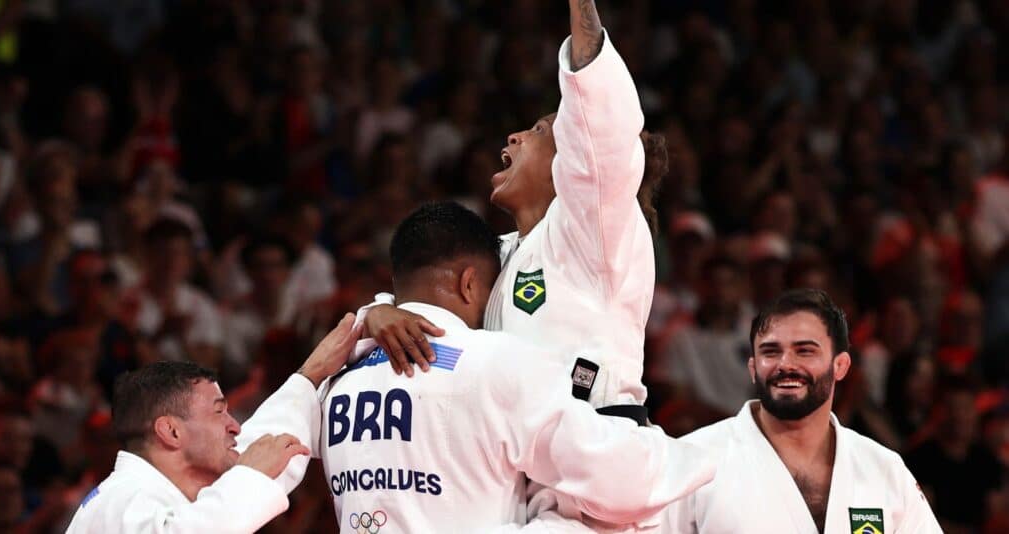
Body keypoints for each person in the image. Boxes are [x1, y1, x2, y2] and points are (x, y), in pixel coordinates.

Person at [361, 2, 665, 527]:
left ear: (572, 156)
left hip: (596, 478)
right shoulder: (500, 254)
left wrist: (580, 9)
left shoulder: (596, 228)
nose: (514, 138)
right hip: (521, 482)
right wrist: (379, 311)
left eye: (539, 131)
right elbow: (433, 294)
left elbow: (606, 135)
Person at [320, 202, 714, 531]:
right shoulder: (497, 361)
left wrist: (372, 311)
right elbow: (617, 477)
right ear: (469, 284)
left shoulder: (332, 378)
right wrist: (700, 457)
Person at [660, 289, 941, 533]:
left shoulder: (884, 469)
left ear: (840, 366)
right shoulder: (694, 461)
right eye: (770, 352)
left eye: (804, 351)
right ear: (753, 368)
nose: (786, 364)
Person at [66, 313, 362, 533]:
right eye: (219, 412)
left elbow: (256, 449)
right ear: (171, 431)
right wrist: (250, 474)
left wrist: (309, 376)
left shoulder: (173, 496)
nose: (234, 426)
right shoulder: (119, 503)